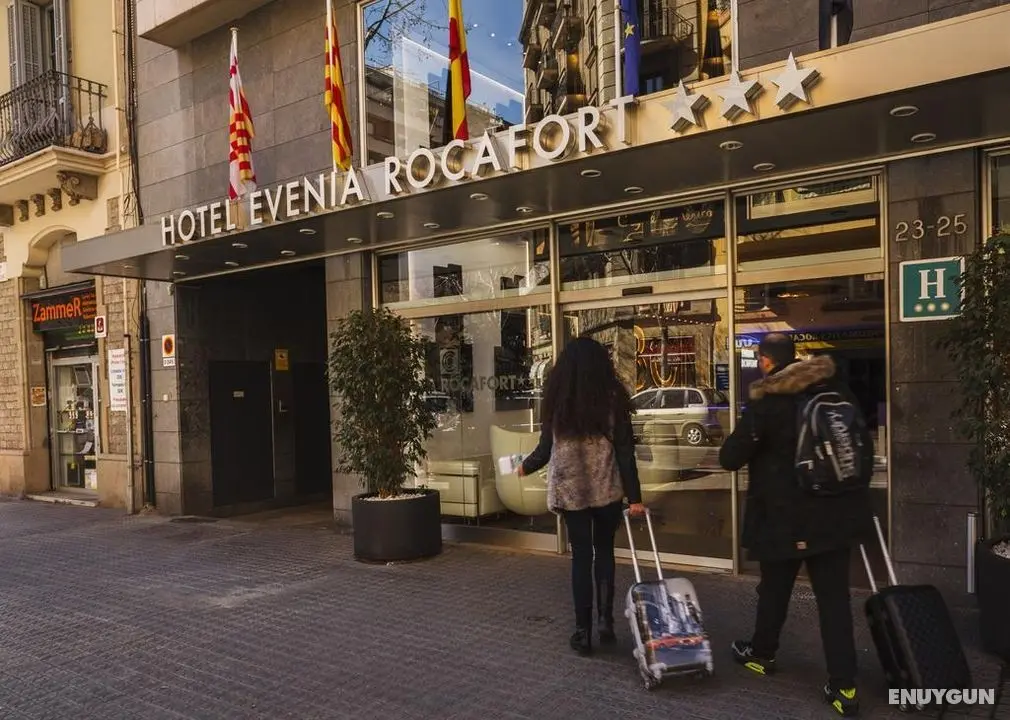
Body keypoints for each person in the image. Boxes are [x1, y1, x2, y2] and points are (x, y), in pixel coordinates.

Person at [718, 334, 873, 718]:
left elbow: (729, 457)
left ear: (767, 362)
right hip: (835, 517)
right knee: (834, 600)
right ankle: (844, 687)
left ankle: (762, 654)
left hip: (784, 520)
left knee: (774, 589)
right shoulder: (837, 392)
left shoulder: (769, 400)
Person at [518, 337, 646, 656]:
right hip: (606, 490)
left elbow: (545, 449)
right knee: (604, 552)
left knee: (581, 558)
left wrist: (524, 467)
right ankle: (605, 620)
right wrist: (635, 498)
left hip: (572, 491)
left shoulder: (558, 401)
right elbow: (625, 453)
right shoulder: (613, 400)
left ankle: (582, 631)